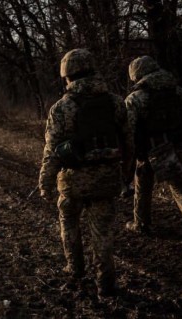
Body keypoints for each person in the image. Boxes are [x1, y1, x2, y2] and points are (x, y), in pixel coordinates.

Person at [38, 48, 133, 296]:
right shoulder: (115, 102)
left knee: (69, 222)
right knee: (103, 233)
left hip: (72, 182)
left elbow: (52, 151)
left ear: (67, 75)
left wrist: (45, 183)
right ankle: (106, 283)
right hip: (107, 179)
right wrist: (126, 174)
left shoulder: (61, 108)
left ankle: (75, 268)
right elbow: (128, 142)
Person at [123, 55, 182, 238]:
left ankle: (141, 223)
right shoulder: (180, 92)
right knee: (180, 190)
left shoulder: (135, 99)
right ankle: (140, 223)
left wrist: (129, 155)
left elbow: (127, 130)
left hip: (149, 150)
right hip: (177, 148)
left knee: (146, 188)